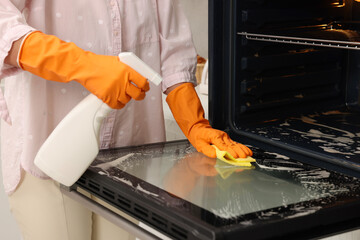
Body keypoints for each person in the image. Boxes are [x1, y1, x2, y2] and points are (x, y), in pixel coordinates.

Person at [0, 0, 253, 239]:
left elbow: (173, 50)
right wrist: (83, 65)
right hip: (48, 150)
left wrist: (194, 124)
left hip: (125, 160)